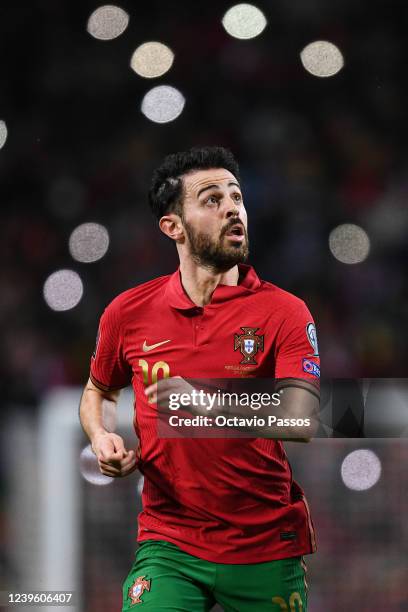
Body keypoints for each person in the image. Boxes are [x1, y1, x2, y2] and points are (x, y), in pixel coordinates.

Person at [79, 146, 320, 611]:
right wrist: (101, 434)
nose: (232, 208)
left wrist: (206, 404)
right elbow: (99, 390)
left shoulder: (284, 312)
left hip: (264, 543)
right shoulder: (128, 312)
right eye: (211, 199)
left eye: (237, 197)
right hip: (169, 541)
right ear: (173, 227)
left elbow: (302, 419)